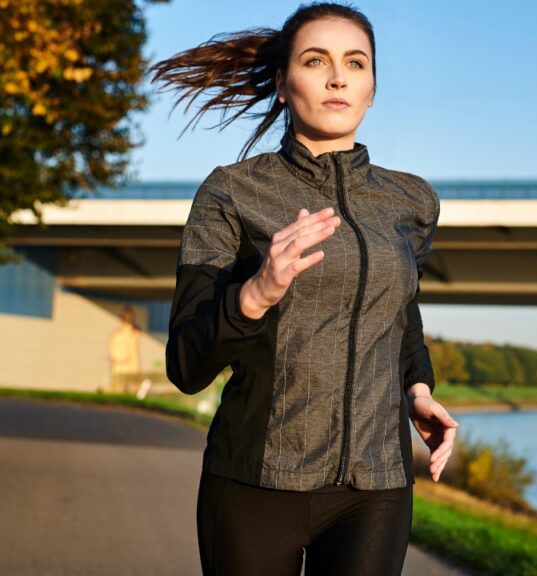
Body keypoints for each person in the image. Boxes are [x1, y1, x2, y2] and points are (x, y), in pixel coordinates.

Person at [150, 3, 459, 574]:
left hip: (377, 485)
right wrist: (256, 294)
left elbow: (400, 316)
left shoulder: (411, 202)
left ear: (372, 89)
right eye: (316, 61)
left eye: (356, 64)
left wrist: (418, 386)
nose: (338, 77)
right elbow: (186, 365)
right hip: (255, 481)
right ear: (282, 84)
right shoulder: (231, 193)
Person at [108, 305, 142, 394]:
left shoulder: (116, 335)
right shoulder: (134, 335)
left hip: (119, 370)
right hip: (129, 370)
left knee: (116, 396)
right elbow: (134, 358)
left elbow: (113, 356)